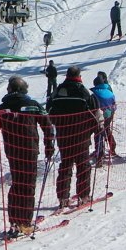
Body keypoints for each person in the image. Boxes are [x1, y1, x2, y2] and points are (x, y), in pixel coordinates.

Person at [0, 76, 55, 237]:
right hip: (29, 150)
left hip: (13, 152)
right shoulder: (33, 105)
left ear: (9, 90)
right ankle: (25, 222)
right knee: (28, 186)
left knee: (17, 184)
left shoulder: (2, 108)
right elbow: (48, 126)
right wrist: (49, 147)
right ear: (24, 90)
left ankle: (14, 222)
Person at [47, 65, 100, 208]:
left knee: (66, 165)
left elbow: (49, 110)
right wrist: (95, 130)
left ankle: (63, 198)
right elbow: (94, 112)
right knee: (83, 165)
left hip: (64, 135)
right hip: (81, 136)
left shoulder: (58, 91)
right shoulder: (83, 91)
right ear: (79, 76)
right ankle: (83, 196)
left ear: (67, 75)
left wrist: (58, 123)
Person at [91, 72, 117, 166]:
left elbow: (92, 105)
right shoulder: (109, 90)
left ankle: (99, 154)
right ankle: (112, 147)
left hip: (99, 116)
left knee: (98, 134)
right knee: (106, 130)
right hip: (109, 114)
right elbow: (114, 102)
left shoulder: (95, 94)